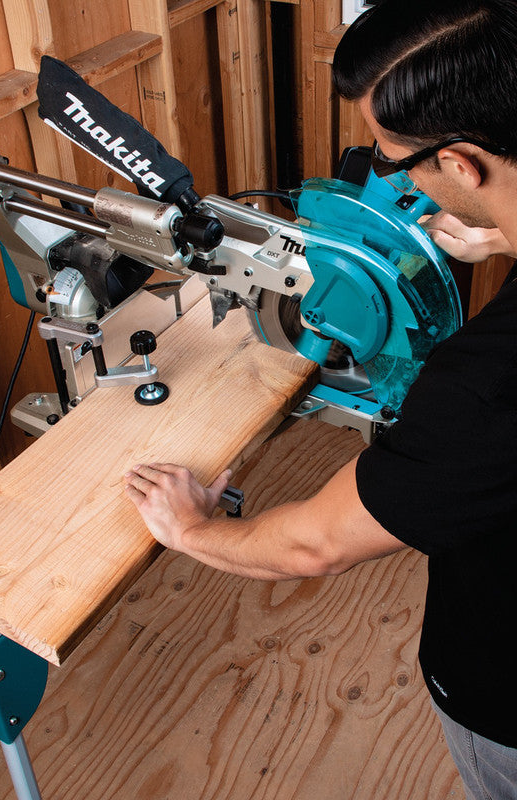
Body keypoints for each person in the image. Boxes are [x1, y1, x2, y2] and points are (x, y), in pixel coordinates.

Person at [123, 1, 517, 797]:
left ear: (462, 165)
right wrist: (504, 232)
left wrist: (192, 529)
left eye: (396, 162)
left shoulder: (483, 389)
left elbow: (315, 546)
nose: (396, 180)